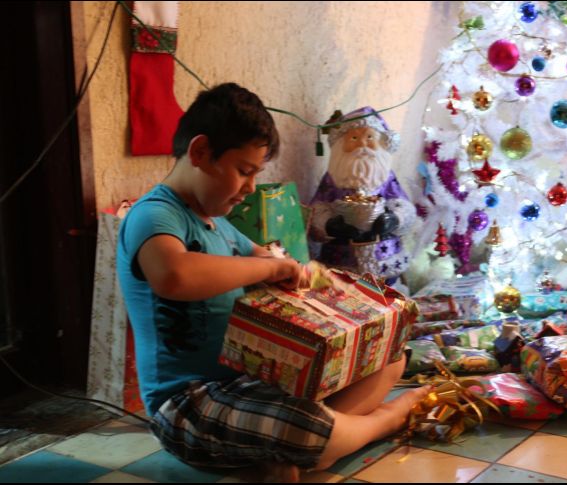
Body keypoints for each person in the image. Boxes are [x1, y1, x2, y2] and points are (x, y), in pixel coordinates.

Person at [117, 83, 428, 480]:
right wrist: (270, 268)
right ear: (199, 153)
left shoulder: (222, 227)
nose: (249, 187)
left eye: (255, 175)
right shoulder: (156, 215)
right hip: (188, 406)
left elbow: (270, 259)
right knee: (304, 426)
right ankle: (385, 420)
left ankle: (293, 449)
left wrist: (300, 273)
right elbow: (175, 276)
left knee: (390, 358)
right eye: (244, 171)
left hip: (249, 389)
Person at [308, 107, 417, 283]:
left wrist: (394, 219)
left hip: (384, 260)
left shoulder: (386, 178)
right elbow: (317, 209)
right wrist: (329, 225)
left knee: (387, 298)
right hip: (342, 262)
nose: (362, 145)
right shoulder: (331, 180)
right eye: (354, 138)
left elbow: (402, 204)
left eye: (369, 137)